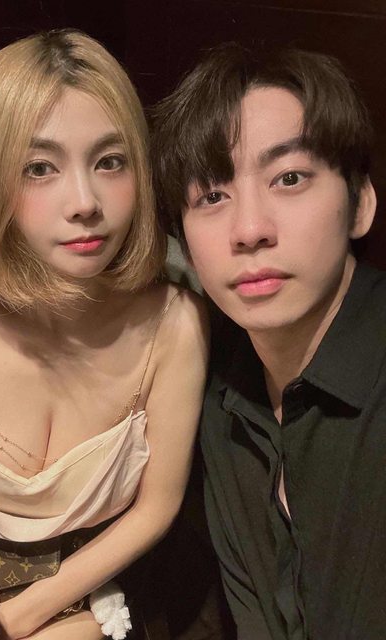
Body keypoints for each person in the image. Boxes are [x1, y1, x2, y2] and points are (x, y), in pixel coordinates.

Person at [0, 30, 208, 640]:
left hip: (103, 583)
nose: (85, 202)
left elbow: (156, 508)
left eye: (110, 161)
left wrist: (16, 619)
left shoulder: (175, 324)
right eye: (40, 168)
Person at [152, 43, 383, 639]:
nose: (250, 229)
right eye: (212, 196)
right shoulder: (219, 398)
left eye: (289, 178)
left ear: (360, 203)